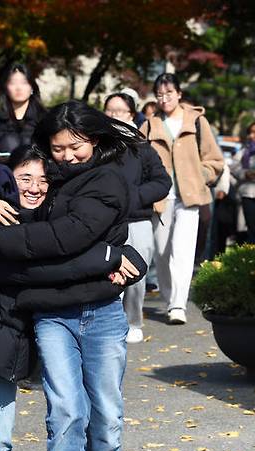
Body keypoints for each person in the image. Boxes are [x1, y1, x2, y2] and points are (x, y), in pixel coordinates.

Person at [0, 144, 142, 451]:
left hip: (4, 343)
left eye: (42, 180)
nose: (34, 188)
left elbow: (84, 243)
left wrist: (122, 258)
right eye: (25, 178)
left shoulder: (52, 225)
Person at [0, 100, 145, 451]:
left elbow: (68, 237)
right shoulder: (50, 178)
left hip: (102, 311)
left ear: (94, 140)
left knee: (106, 415)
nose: (68, 156)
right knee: (65, 411)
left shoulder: (108, 179)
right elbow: (6, 184)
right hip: (52, 314)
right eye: (58, 148)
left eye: (76, 146)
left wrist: (4, 240)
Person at [140, 73, 224, 324]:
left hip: (190, 198)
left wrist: (202, 175)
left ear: (179, 94)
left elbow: (214, 158)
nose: (164, 99)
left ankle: (178, 305)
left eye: (169, 93)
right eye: (160, 94)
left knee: (183, 251)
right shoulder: (149, 125)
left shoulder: (197, 121)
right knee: (162, 253)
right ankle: (168, 299)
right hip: (160, 198)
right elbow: (139, 160)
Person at [104, 93, 171, 343]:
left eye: (120, 111)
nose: (114, 115)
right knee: (106, 271)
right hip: (105, 219)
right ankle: (109, 321)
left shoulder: (142, 147)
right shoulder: (97, 146)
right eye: (109, 110)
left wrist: (133, 197)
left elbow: (162, 182)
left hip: (137, 218)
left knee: (136, 273)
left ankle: (133, 320)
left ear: (131, 115)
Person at [0, 63, 46, 171]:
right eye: (13, 83)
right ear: (5, 88)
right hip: (4, 183)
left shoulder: (45, 119)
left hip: (38, 185)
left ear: (32, 87)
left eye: (24, 82)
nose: (18, 88)